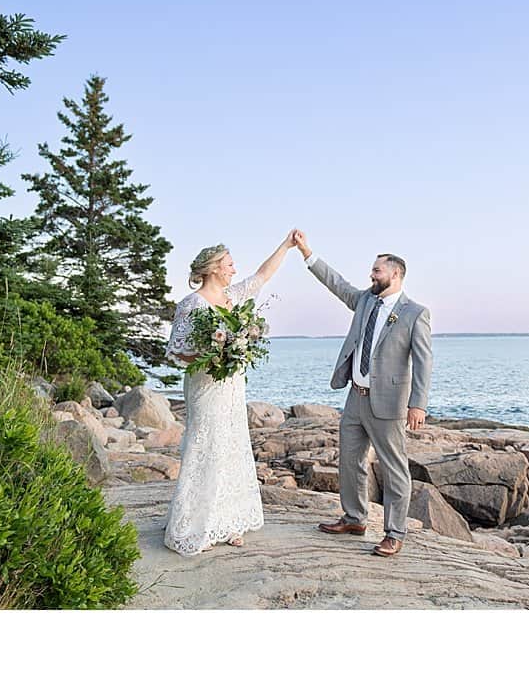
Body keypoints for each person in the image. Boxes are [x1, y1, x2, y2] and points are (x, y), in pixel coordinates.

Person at [292, 229, 432, 557]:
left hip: (390, 403)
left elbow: (424, 362)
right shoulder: (366, 300)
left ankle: (394, 533)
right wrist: (306, 252)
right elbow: (337, 284)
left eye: (377, 270)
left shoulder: (415, 313)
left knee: (394, 468)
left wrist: (418, 404)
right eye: (372, 270)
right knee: (350, 460)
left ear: (395, 274)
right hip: (355, 397)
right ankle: (354, 518)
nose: (371, 274)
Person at [162, 234, 297, 555]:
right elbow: (176, 351)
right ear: (213, 269)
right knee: (206, 445)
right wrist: (214, 354)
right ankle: (197, 525)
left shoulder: (233, 298)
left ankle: (230, 520)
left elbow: (262, 275)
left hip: (233, 386)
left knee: (232, 445)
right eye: (230, 264)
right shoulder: (191, 304)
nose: (235, 270)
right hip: (206, 386)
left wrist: (286, 246)